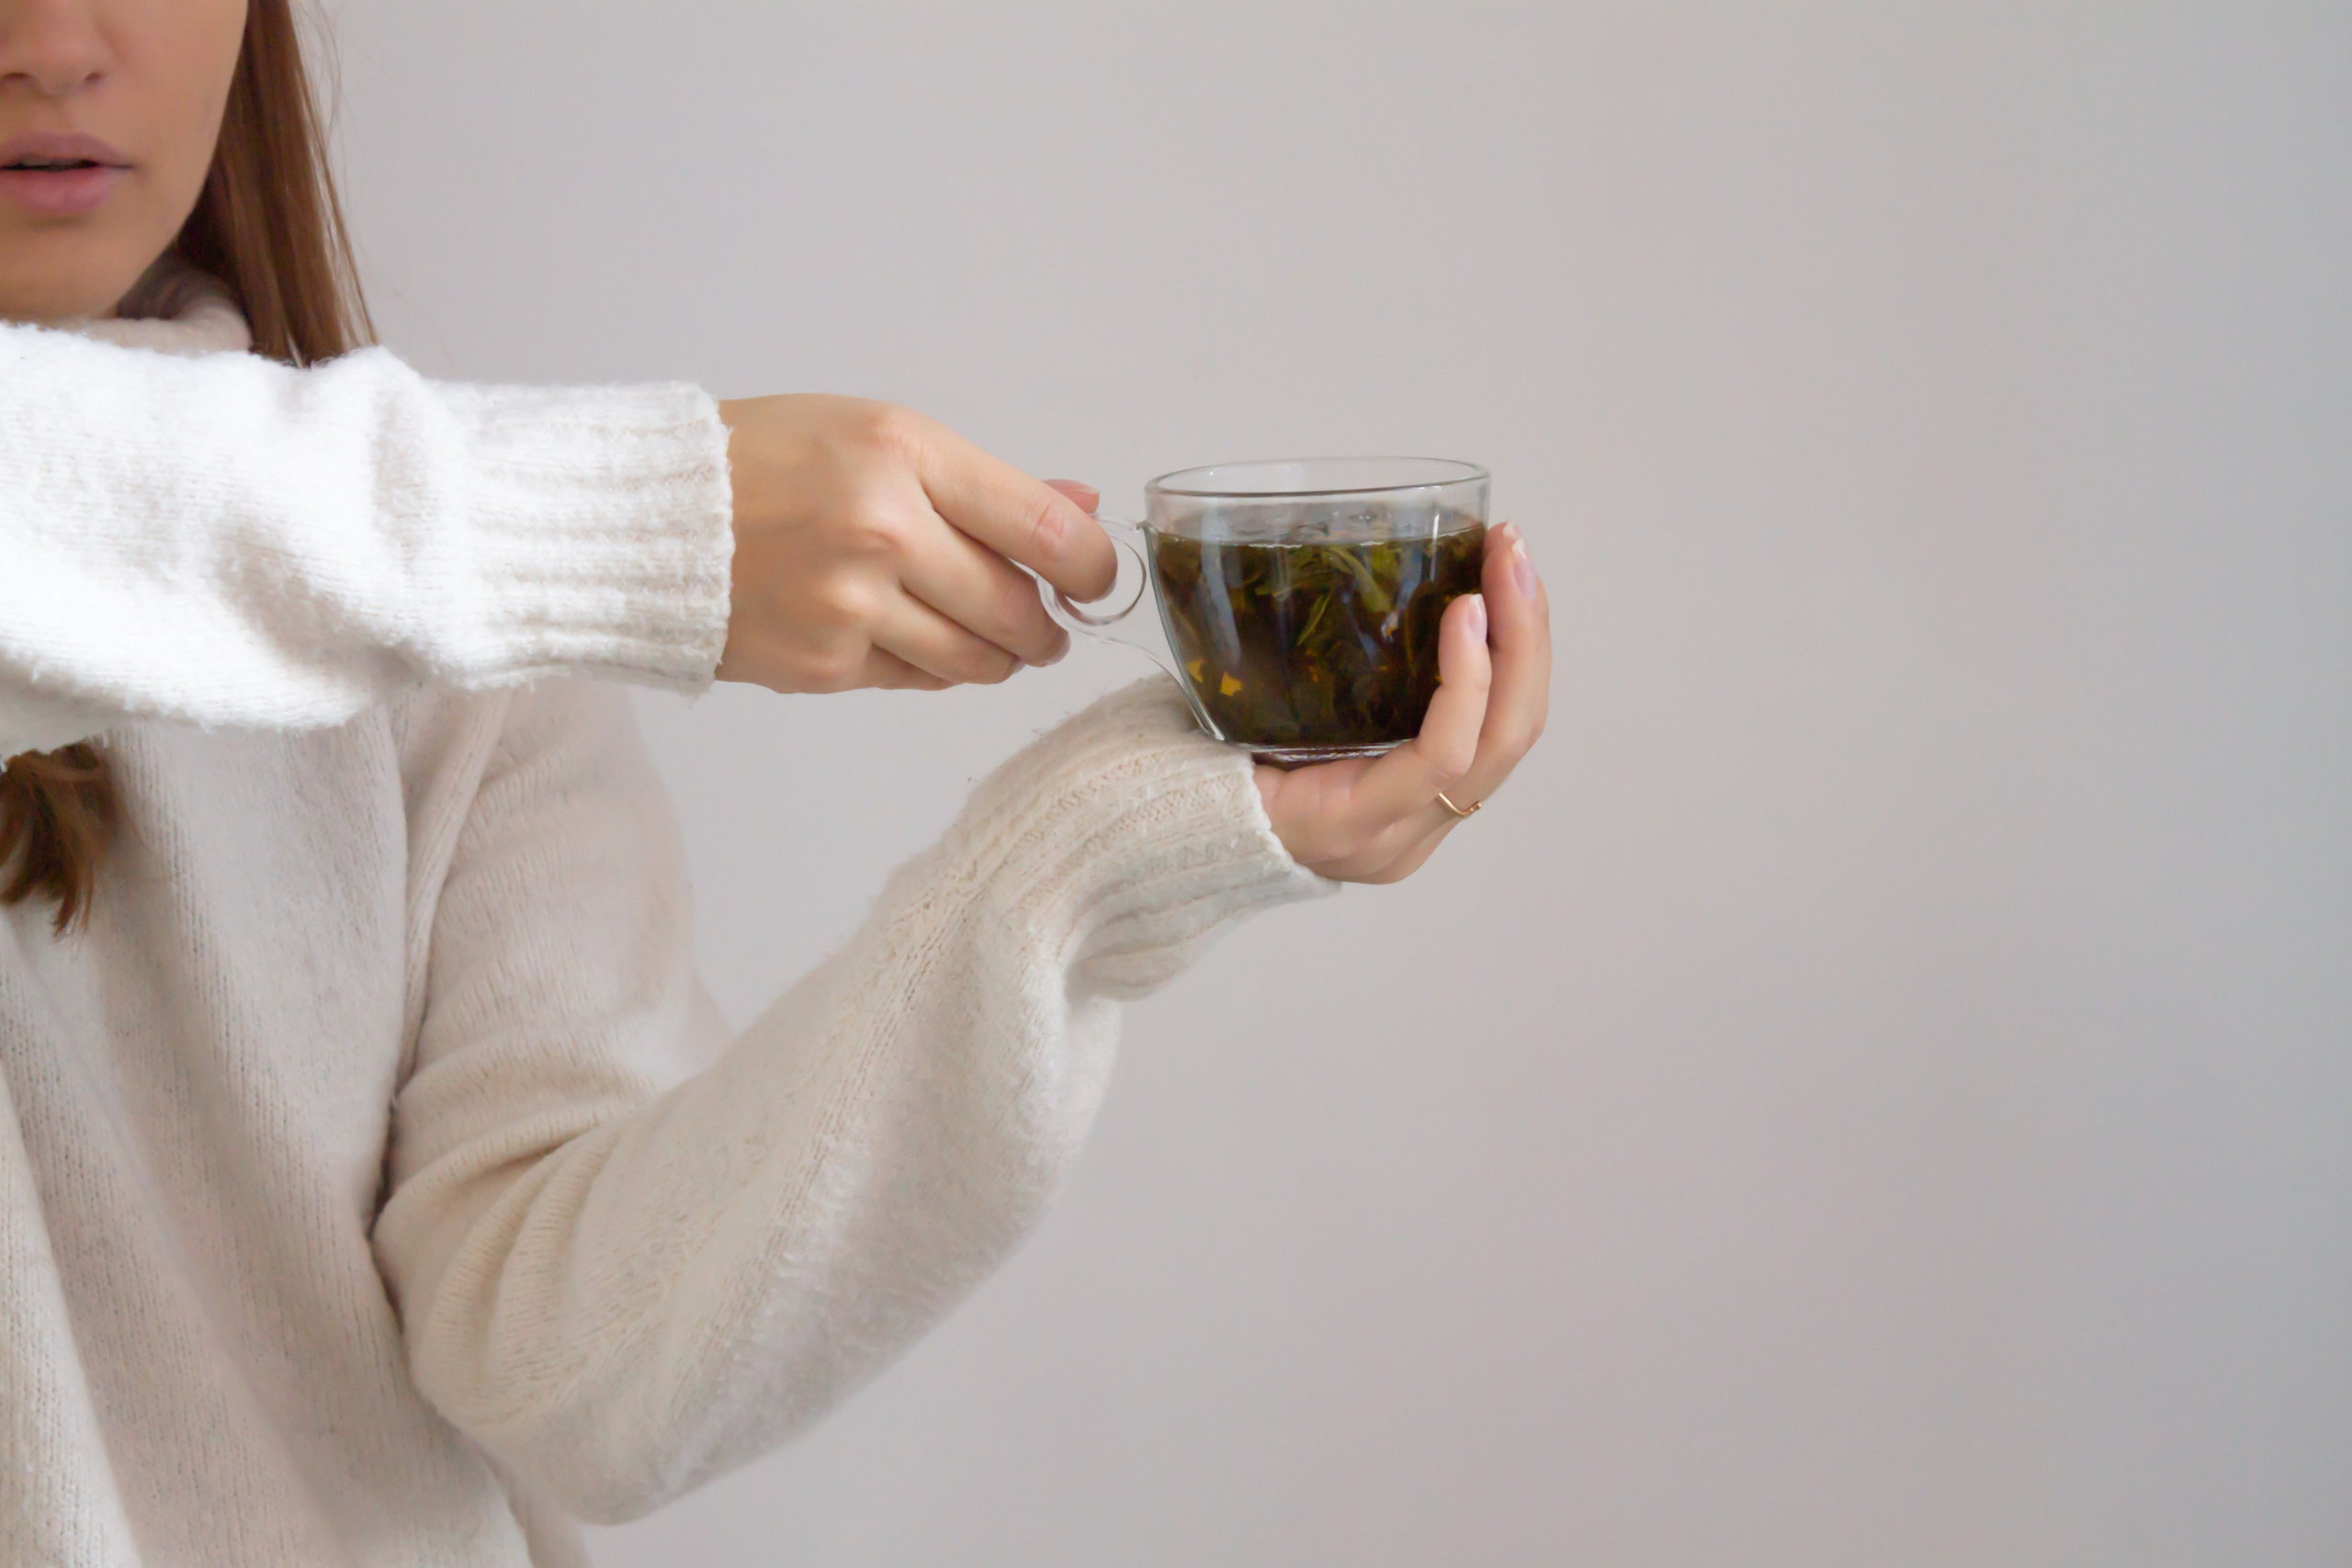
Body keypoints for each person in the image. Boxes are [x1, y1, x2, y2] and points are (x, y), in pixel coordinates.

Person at [0, 1, 1550, 1562]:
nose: (55, 41)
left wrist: (1076, 867)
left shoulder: (455, 636)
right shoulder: (484, 551)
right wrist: (638, 525)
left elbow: (571, 1376)